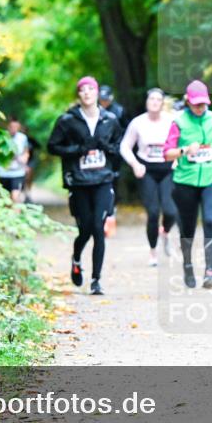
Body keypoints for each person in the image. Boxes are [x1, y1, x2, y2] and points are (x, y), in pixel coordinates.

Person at [47, 76, 123, 295]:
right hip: (79, 182)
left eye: (91, 89)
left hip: (103, 180)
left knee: (99, 229)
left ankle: (96, 280)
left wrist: (107, 148)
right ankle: (77, 258)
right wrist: (77, 150)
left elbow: (120, 145)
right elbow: (53, 146)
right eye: (83, 90)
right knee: (85, 230)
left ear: (97, 93)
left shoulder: (109, 119)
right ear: (78, 95)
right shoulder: (67, 120)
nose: (87, 93)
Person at [163, 80, 212, 289]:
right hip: (185, 182)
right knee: (188, 228)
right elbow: (166, 153)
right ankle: (188, 264)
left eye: (203, 104)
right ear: (188, 102)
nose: (201, 108)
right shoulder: (179, 122)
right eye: (196, 104)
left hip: (211, 178)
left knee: (210, 219)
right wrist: (184, 151)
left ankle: (210, 272)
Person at [120, 88, 179, 266]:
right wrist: (135, 164)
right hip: (147, 170)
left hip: (168, 168)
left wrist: (178, 160)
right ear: (146, 102)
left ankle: (166, 231)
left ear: (162, 104)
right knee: (152, 213)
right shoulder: (138, 123)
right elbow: (125, 146)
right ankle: (153, 252)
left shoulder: (171, 121)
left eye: (158, 99)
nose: (154, 102)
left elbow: (182, 142)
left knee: (171, 211)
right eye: (151, 99)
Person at [99, 85, 130, 237]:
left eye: (106, 99)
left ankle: (111, 212)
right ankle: (101, 213)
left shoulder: (119, 111)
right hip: (99, 153)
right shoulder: (93, 110)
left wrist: (118, 146)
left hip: (115, 153)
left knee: (113, 181)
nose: (103, 102)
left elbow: (127, 130)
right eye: (101, 100)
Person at [0, 117, 29, 206]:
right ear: (7, 126)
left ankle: (16, 217)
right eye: (12, 127)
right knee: (4, 198)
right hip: (3, 172)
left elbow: (26, 152)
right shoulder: (1, 136)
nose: (14, 129)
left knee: (15, 196)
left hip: (17, 172)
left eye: (16, 127)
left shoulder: (23, 138)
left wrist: (24, 160)